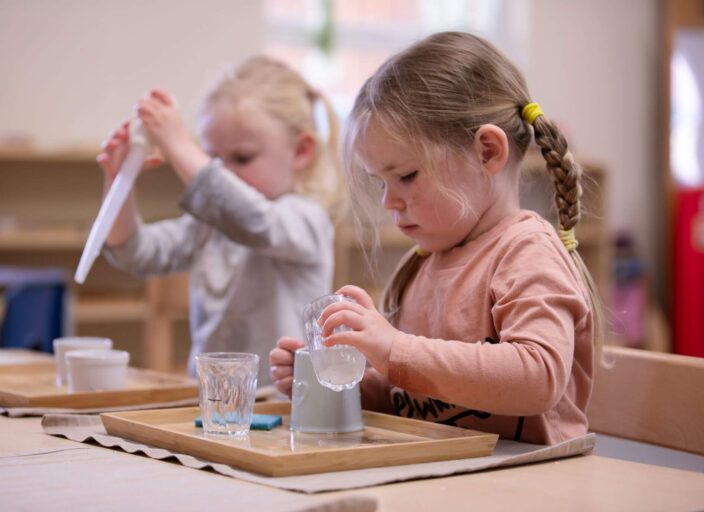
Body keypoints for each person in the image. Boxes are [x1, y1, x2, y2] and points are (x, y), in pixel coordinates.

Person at [270, 32, 603, 445]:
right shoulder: (424, 263)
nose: (390, 202)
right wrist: (345, 381)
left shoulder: (526, 251)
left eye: (407, 176)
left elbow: (538, 377)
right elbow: (414, 400)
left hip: (532, 485)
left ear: (486, 152)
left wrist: (395, 351)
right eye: (380, 184)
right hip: (450, 474)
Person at [97, 55, 342, 385]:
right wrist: (119, 184)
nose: (223, 172)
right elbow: (135, 252)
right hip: (216, 406)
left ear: (300, 151)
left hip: (284, 408)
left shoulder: (306, 219)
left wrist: (179, 146)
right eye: (212, 157)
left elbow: (255, 222)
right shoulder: (210, 224)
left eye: (242, 157)